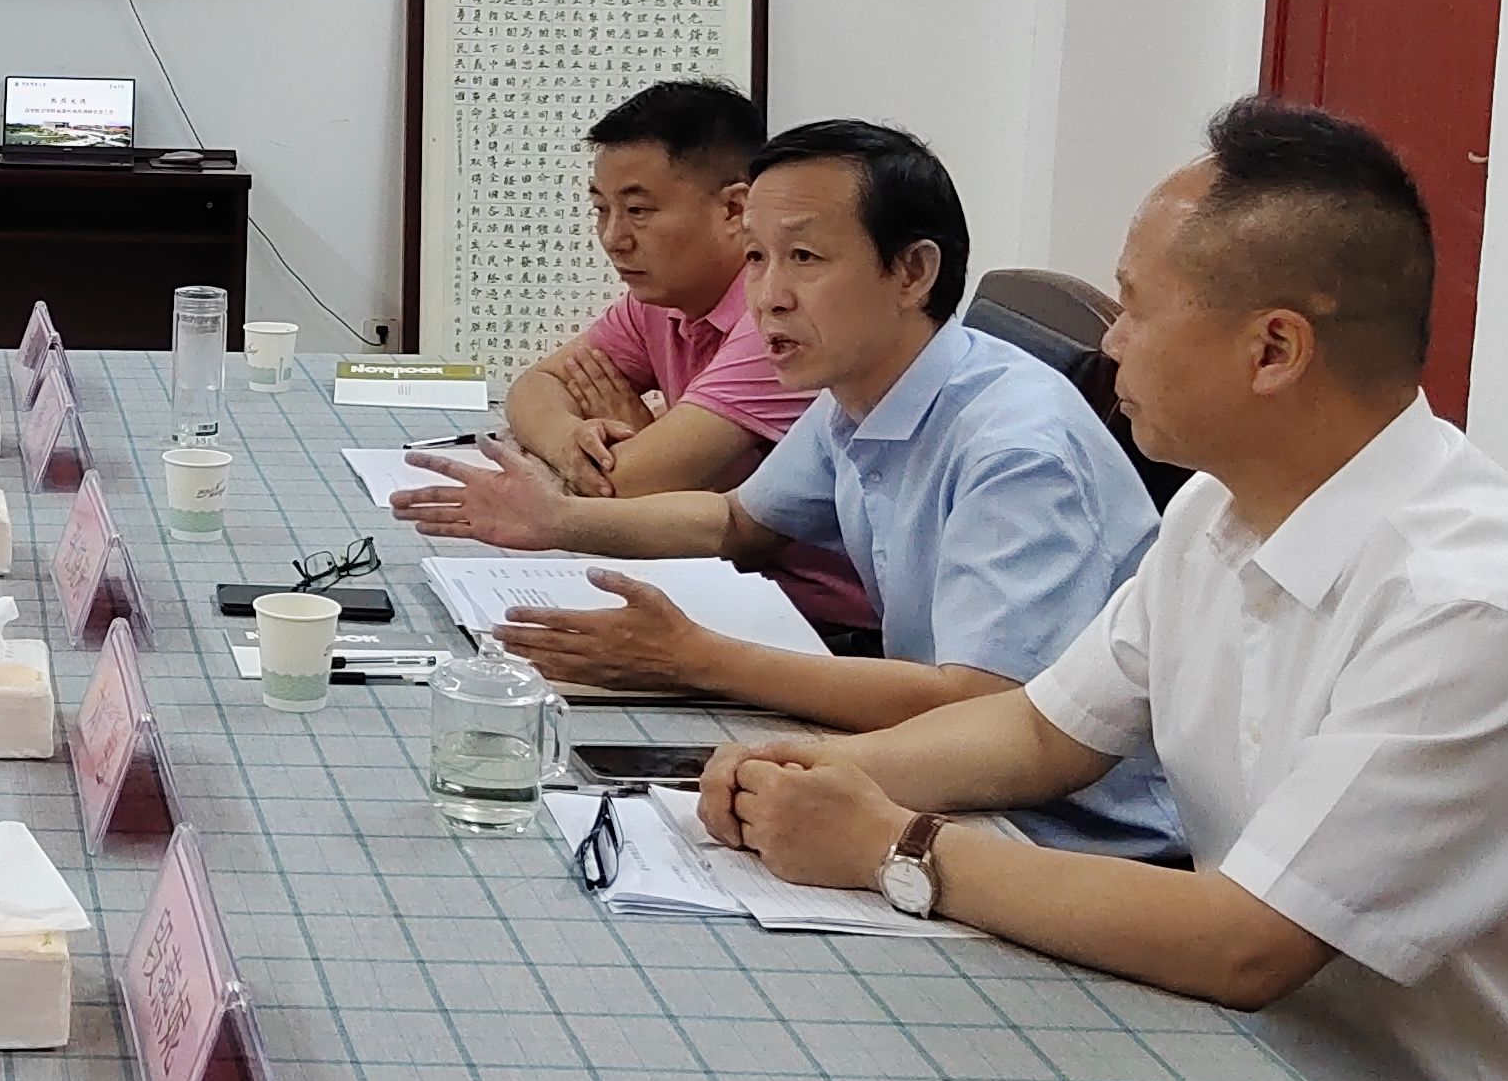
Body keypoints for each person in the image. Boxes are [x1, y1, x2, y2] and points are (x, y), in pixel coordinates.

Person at [698, 100, 1508, 1081]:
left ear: (1272, 350)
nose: (1109, 347)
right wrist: (813, 774)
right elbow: (1041, 730)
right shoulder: (1220, 505)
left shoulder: (1470, 606)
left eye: (1135, 308)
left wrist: (894, 848)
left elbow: (1246, 943)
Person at [396, 117, 1175, 860]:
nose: (767, 296)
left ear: (913, 272)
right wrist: (558, 520)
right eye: (756, 258)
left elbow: (980, 700)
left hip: (1064, 830)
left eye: (803, 258)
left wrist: (698, 659)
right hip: (933, 764)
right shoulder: (866, 384)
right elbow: (736, 520)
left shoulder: (1017, 449)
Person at [483, 80, 869, 633]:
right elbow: (536, 386)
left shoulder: (778, 322)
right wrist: (572, 442)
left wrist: (633, 451)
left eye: (638, 210)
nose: (613, 238)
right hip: (713, 576)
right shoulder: (661, 300)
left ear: (735, 208)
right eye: (601, 210)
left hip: (814, 620)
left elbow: (630, 483)